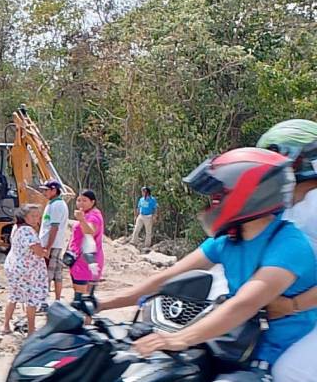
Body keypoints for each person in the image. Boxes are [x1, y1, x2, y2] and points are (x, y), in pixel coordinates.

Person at [100, 147, 316, 381]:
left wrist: (180, 338)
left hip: (291, 344)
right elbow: (164, 279)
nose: (212, 204)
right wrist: (100, 304)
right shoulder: (228, 240)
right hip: (241, 340)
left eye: (219, 196)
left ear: (251, 194)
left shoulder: (289, 244)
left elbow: (245, 304)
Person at [256, 120, 317, 382]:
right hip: (283, 317)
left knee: (288, 371)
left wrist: (290, 305)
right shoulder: (276, 208)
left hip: (304, 314)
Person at [3, 204, 48, 335]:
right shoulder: (28, 231)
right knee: (31, 299)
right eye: (33, 216)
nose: (36, 219)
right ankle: (31, 330)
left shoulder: (16, 228)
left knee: (13, 296)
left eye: (38, 217)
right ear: (25, 216)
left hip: (14, 266)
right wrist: (45, 252)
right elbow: (37, 251)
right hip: (27, 270)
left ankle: (6, 325)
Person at [38, 179, 70, 303]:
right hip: (54, 244)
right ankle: (57, 300)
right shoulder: (53, 204)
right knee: (57, 274)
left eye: (46, 190)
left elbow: (54, 227)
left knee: (47, 273)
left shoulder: (57, 205)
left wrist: (48, 247)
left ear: (54, 190)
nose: (44, 192)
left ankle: (44, 301)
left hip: (52, 244)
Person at [69, 190, 104, 296]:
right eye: (78, 200)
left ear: (92, 202)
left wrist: (81, 220)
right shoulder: (87, 214)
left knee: (81, 297)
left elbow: (90, 232)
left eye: (84, 200)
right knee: (83, 296)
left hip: (85, 261)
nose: (80, 203)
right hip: (79, 259)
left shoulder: (93, 216)